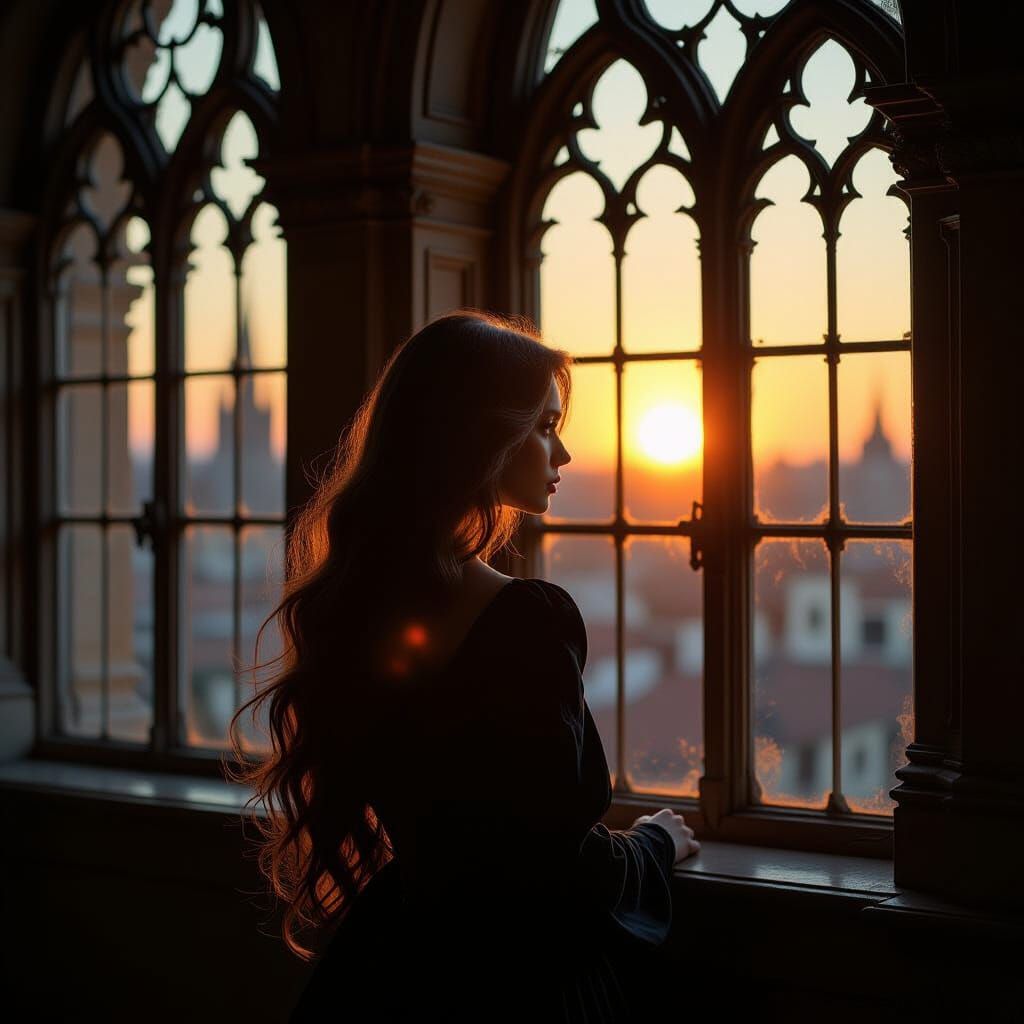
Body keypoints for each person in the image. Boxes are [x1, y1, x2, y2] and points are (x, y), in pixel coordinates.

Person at [226, 309, 701, 1022]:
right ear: (480, 438)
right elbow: (552, 866)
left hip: (392, 971)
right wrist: (655, 845)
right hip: (520, 992)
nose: (564, 453)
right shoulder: (528, 620)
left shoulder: (354, 605)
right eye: (544, 426)